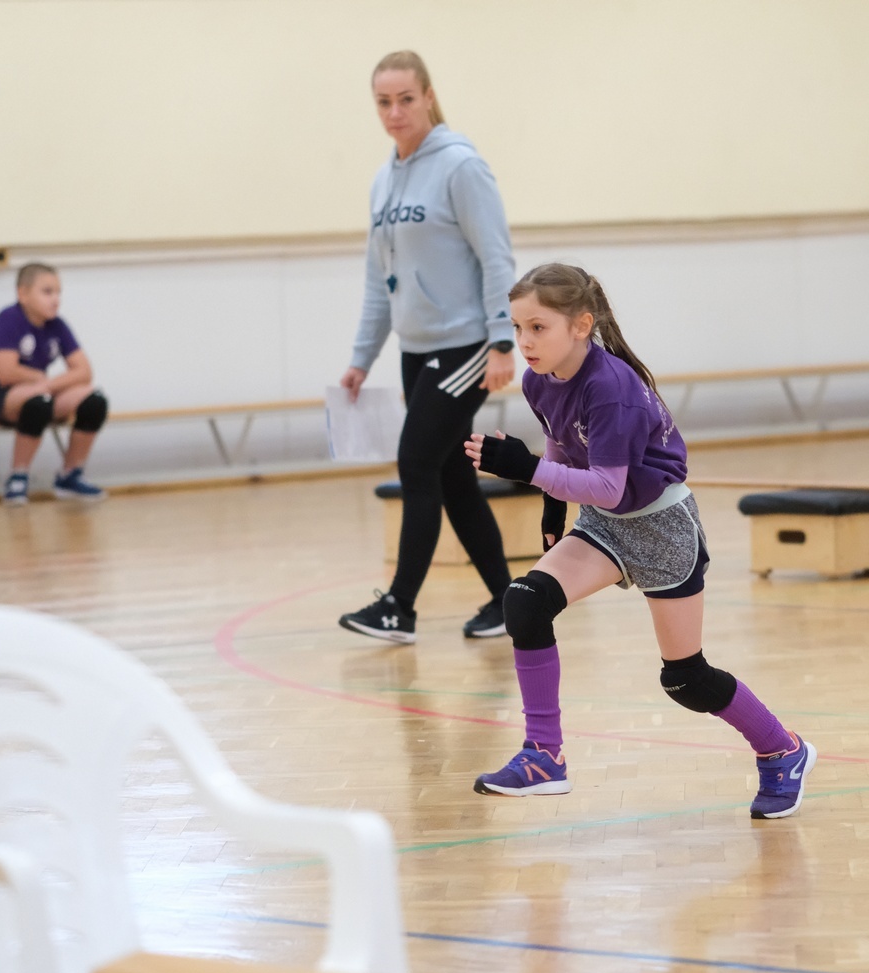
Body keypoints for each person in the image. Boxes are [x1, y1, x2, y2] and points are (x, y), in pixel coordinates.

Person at [466, 264, 815, 820]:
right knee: (525, 603)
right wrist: (552, 499)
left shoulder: (612, 388)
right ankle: (544, 757)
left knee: (686, 679)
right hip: (605, 524)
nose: (525, 342)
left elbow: (608, 486)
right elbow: (563, 444)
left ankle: (783, 749)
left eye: (538, 327)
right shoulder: (538, 379)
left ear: (581, 326)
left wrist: (526, 470)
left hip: (661, 527)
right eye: (518, 328)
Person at [336, 50, 518, 645]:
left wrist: (502, 339)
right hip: (415, 352)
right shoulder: (383, 181)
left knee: (415, 462)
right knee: (452, 476)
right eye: (383, 102)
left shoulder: (461, 167)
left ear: (429, 97)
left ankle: (399, 607)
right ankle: (508, 601)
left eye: (405, 99)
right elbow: (378, 279)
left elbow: (496, 256)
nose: (395, 112)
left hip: (464, 345)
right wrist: (362, 358)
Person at [0, 263, 109, 505]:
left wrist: (48, 384)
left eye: (58, 292)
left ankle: (70, 475)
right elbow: (5, 373)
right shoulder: (9, 319)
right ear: (23, 294)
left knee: (95, 401)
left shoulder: (57, 326)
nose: (55, 299)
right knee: (38, 402)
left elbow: (84, 371)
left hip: (37, 389)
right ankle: (18, 477)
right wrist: (43, 382)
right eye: (47, 292)